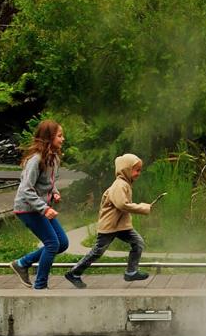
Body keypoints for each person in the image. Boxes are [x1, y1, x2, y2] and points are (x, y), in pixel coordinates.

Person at [63, 153, 154, 288]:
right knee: (97, 251)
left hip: (122, 226)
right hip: (110, 225)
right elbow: (121, 204)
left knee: (138, 243)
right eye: (136, 170)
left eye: (140, 170)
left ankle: (131, 271)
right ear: (126, 169)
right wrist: (143, 207)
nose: (138, 173)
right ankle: (74, 272)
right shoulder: (120, 185)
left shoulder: (126, 184)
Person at [10, 119, 69, 290]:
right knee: (52, 244)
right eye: (59, 136)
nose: (62, 139)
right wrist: (45, 208)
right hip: (27, 209)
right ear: (48, 138)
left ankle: (22, 263)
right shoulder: (35, 160)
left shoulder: (53, 158)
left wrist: (55, 192)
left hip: (41, 207)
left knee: (62, 243)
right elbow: (26, 189)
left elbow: (47, 182)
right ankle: (40, 286)